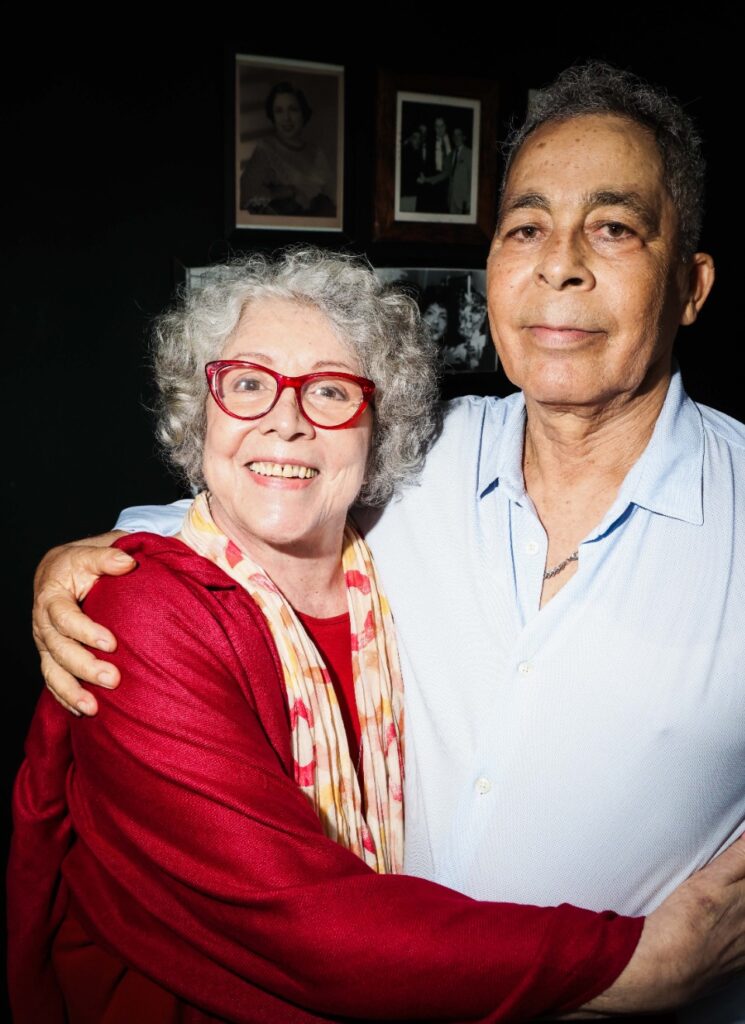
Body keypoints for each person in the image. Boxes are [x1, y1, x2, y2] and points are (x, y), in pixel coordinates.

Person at [29, 60, 745, 1021]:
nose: (559, 264)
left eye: (613, 227)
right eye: (526, 227)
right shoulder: (422, 464)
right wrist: (88, 560)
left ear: (691, 285)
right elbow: (254, 510)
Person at [239, 81, 335, 217]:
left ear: (303, 112)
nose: (286, 118)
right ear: (272, 116)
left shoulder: (317, 153)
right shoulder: (266, 149)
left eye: (293, 109)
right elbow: (245, 195)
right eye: (279, 111)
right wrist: (285, 192)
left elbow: (333, 197)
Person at [448, 126, 473, 214]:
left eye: (459, 135)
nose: (456, 137)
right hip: (451, 200)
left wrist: (470, 199)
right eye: (454, 135)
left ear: (463, 137)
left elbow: (471, 177)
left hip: (463, 200)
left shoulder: (469, 153)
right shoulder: (451, 154)